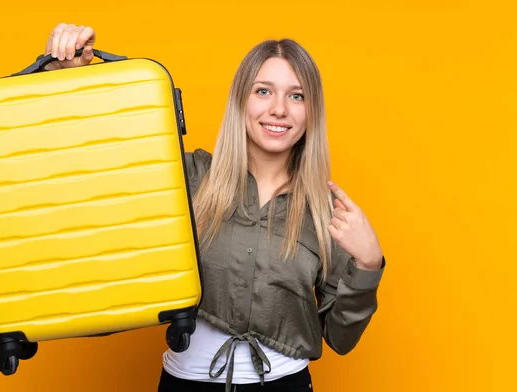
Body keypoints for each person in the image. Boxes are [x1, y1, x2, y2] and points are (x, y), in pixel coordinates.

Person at [40, 23, 386, 392]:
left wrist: (368, 266)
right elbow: (98, 163)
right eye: (263, 91)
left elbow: (340, 338)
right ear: (241, 100)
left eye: (297, 96)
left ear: (311, 111)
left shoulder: (329, 211)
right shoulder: (187, 177)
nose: (279, 109)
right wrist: (64, 76)